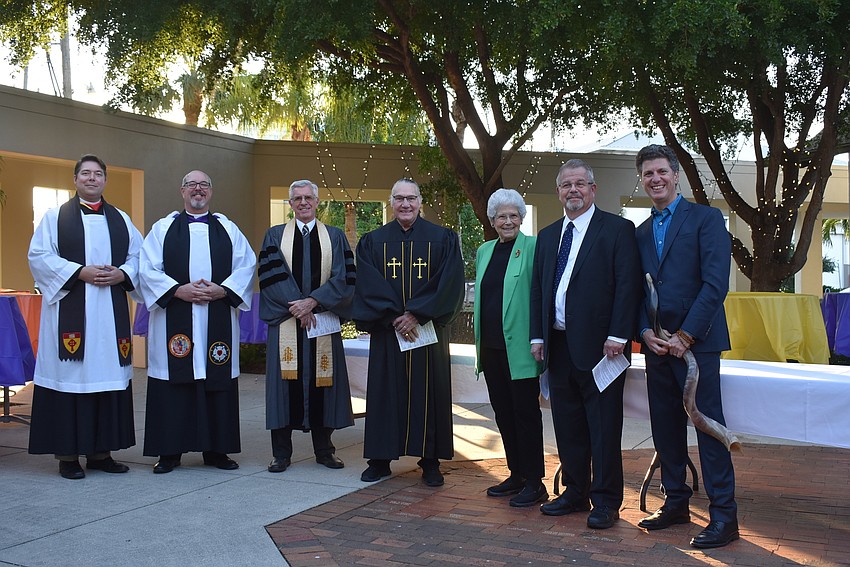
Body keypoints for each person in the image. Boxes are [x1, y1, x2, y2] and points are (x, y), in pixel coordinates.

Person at [634, 144, 738, 549]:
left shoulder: (707, 219)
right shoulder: (639, 232)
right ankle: (675, 501)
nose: (655, 179)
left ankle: (724, 518)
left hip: (698, 346)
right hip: (657, 347)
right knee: (665, 427)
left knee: (707, 427)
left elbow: (715, 284)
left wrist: (687, 335)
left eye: (661, 172)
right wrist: (645, 333)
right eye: (648, 174)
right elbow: (635, 293)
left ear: (675, 175)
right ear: (642, 180)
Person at [530, 159, 641, 529]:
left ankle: (607, 501)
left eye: (580, 183)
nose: (573, 190)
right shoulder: (547, 236)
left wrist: (619, 334)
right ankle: (575, 492)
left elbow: (628, 285)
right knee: (568, 424)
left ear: (593, 189)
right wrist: (537, 336)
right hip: (558, 348)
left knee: (604, 427)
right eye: (566, 185)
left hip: (602, 349)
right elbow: (539, 290)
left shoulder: (617, 229)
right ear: (558, 191)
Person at [27, 154, 143, 479]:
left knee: (105, 379)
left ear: (105, 180)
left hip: (109, 316)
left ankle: (101, 454)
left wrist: (123, 274)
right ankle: (67, 456)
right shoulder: (55, 217)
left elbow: (141, 257)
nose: (92, 179)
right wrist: (79, 272)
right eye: (85, 174)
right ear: (75, 179)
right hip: (69, 313)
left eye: (97, 174)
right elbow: (38, 256)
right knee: (71, 379)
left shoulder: (120, 219)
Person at [139, 170, 255, 474]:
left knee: (215, 380)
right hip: (174, 318)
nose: (198, 190)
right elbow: (146, 268)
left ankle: (217, 451)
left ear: (211, 192)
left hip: (217, 316)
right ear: (182, 191)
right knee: (174, 382)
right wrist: (178, 290)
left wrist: (222, 290)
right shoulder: (163, 229)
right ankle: (169, 452)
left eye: (204, 185)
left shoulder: (228, 229)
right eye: (192, 185)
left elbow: (246, 265)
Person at [352, 178, 464, 486]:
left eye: (411, 198)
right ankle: (380, 459)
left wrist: (416, 314)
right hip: (389, 334)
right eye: (399, 198)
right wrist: (394, 317)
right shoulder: (373, 242)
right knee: (385, 394)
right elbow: (368, 283)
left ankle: (430, 461)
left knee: (429, 396)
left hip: (426, 333)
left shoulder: (443, 239)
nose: (405, 204)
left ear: (420, 202)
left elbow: (449, 284)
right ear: (391, 202)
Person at [258, 179, 356, 473]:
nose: (303, 202)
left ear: (317, 202)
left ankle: (325, 451)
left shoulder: (335, 237)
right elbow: (270, 277)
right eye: (297, 198)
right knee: (283, 386)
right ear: (290, 204)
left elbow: (345, 278)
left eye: (308, 198)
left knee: (323, 384)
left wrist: (313, 302)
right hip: (287, 320)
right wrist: (297, 306)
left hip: (321, 320)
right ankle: (281, 454)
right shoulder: (274, 236)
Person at [474, 189, 547, 507]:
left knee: (525, 414)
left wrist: (539, 337)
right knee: (503, 413)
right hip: (490, 348)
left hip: (521, 349)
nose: (507, 221)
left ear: (522, 218)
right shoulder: (484, 250)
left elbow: (540, 294)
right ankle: (516, 474)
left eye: (513, 215)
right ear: (492, 221)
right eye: (501, 216)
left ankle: (535, 481)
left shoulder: (533, 247)